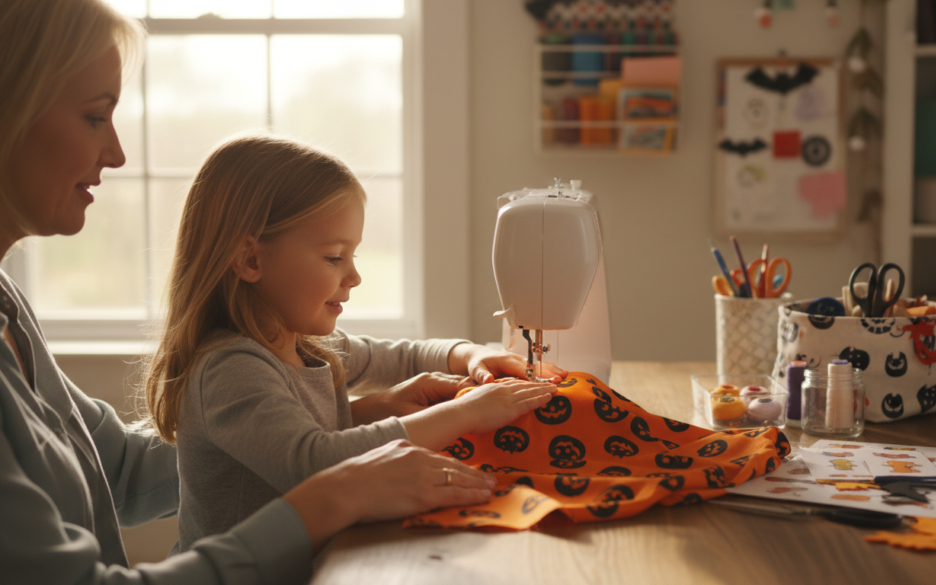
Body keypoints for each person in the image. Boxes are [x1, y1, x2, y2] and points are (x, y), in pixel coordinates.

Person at [0, 0, 557, 582]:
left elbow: (120, 471)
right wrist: (334, 482)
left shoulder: (9, 308)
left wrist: (352, 415)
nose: (117, 153)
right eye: (95, 116)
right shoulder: (231, 363)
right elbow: (298, 459)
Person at [146, 133, 562, 551]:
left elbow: (404, 357)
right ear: (250, 259)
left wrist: (470, 354)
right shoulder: (230, 368)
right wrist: (467, 413)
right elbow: (318, 464)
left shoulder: (306, 346)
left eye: (353, 256)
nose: (354, 277)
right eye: (334, 257)